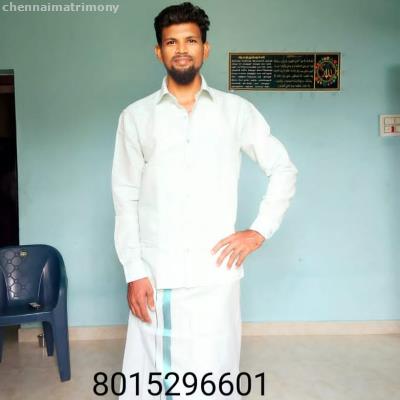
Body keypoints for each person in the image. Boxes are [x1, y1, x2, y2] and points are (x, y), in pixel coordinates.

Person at [111, 2, 298, 399]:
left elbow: (283, 169)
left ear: (205, 49)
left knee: (215, 375)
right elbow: (125, 196)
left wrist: (258, 231)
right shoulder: (136, 117)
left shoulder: (236, 111)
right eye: (171, 42)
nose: (182, 49)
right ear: (158, 51)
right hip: (157, 275)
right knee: (154, 382)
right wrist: (133, 271)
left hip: (216, 274)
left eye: (191, 40)